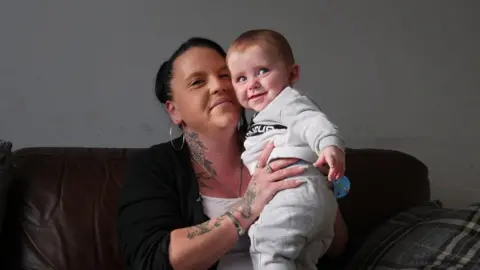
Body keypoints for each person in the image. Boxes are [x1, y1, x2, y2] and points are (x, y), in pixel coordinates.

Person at [117, 36, 346, 270]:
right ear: (174, 111)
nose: (219, 86)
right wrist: (248, 206)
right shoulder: (154, 167)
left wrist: (319, 183)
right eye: (197, 82)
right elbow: (152, 258)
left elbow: (337, 247)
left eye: (225, 75)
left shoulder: (279, 139)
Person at [226, 29, 347, 270]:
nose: (252, 84)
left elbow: (313, 121)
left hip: (296, 188)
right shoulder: (265, 117)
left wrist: (329, 144)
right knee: (301, 261)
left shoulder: (287, 102)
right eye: (241, 78)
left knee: (266, 248)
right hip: (315, 201)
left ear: (292, 74)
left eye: (262, 71)